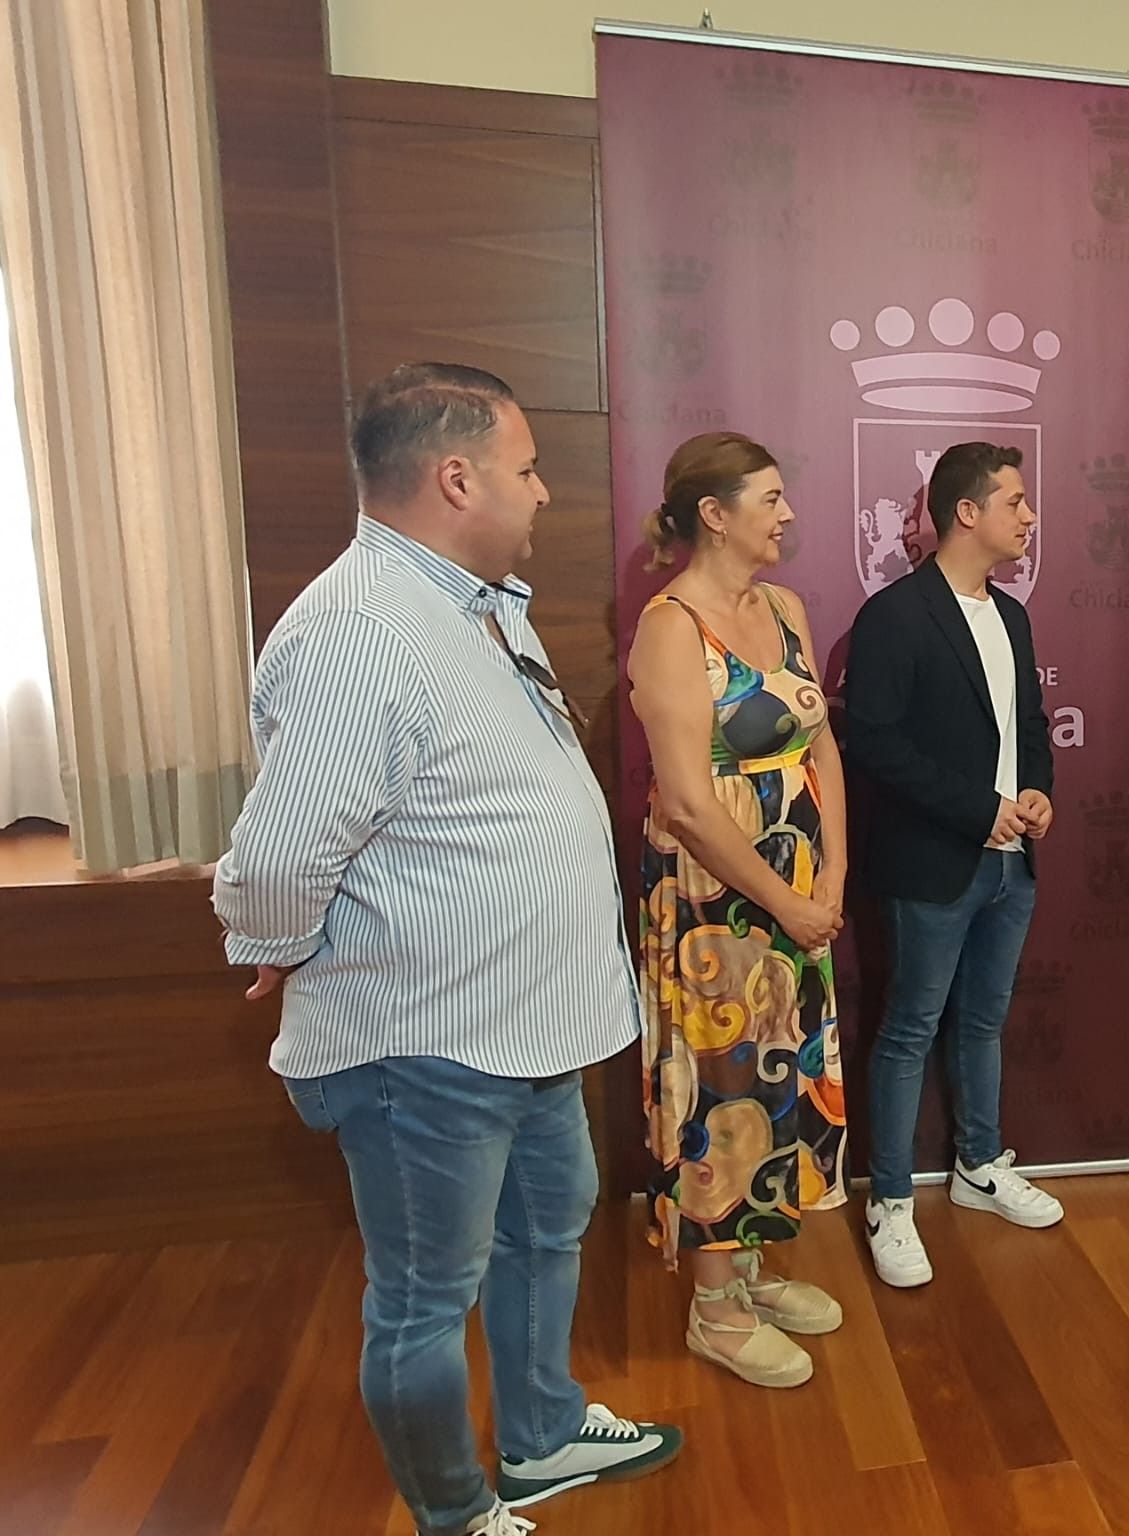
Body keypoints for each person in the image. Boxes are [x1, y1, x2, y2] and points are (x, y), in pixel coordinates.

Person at [212, 364, 680, 1536]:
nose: (544, 492)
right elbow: (281, 853)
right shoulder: (360, 630)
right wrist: (273, 941)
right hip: (429, 1041)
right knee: (426, 1298)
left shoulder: (470, 601)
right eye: (527, 468)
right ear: (457, 478)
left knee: (548, 1226)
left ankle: (540, 1436)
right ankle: (453, 1514)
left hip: (526, 1023)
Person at [626, 431, 849, 1389]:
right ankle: (713, 1309)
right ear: (713, 516)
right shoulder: (671, 627)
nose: (787, 514)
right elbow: (685, 801)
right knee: (719, 1083)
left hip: (796, 883)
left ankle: (746, 1267)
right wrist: (787, 902)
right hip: (715, 898)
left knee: (778, 1070)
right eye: (769, 499)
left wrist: (832, 875)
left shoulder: (785, 607)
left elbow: (819, 745)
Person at [843, 442, 1064, 1289]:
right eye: (1015, 501)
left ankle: (979, 1165)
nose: (1030, 516)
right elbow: (874, 743)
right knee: (909, 1029)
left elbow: (1030, 726)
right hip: (933, 862)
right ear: (966, 513)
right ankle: (891, 1201)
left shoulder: (1013, 616)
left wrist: (1037, 791)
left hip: (1013, 864)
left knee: (983, 1023)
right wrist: (979, 809)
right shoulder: (895, 616)